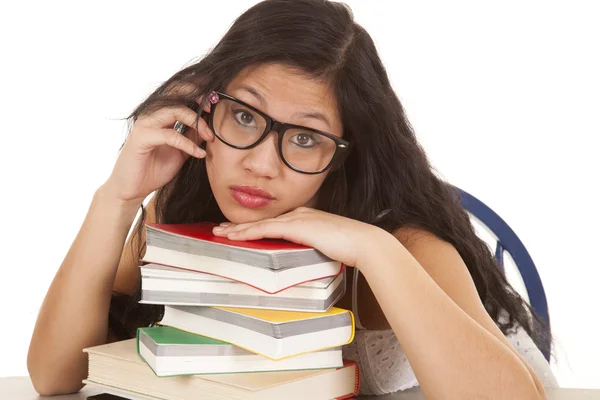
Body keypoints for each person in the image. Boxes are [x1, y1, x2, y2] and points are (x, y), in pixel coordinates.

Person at [27, 0, 557, 397]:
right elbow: (54, 376)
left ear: (347, 152)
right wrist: (117, 198)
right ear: (204, 108)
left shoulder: (408, 245)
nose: (260, 163)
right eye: (244, 115)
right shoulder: (180, 210)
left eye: (305, 138)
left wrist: (372, 250)